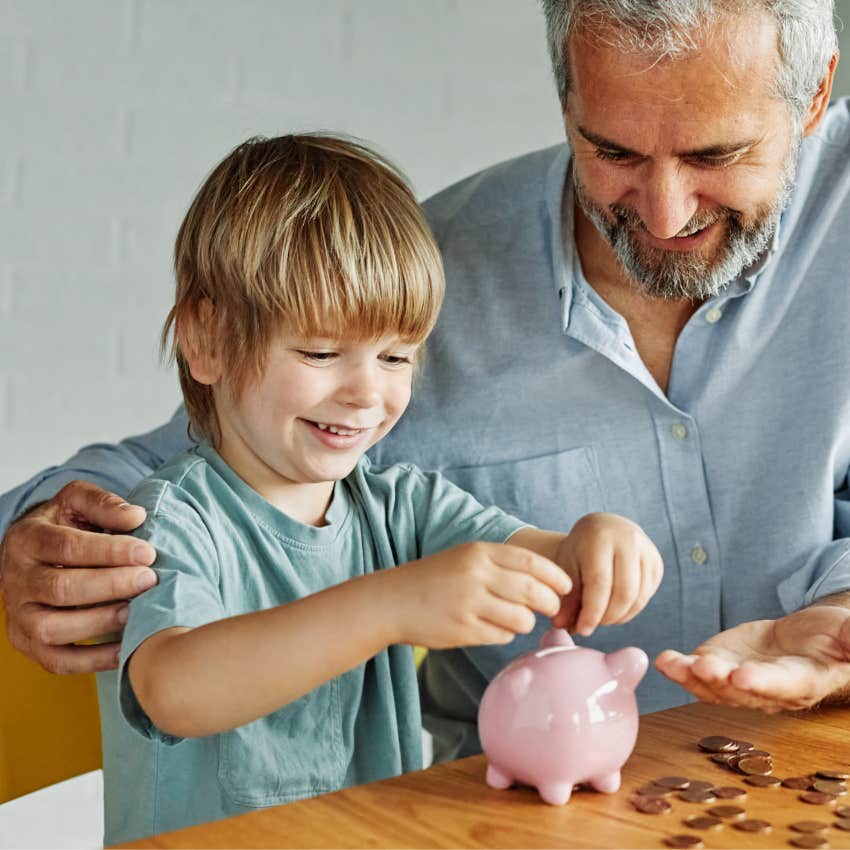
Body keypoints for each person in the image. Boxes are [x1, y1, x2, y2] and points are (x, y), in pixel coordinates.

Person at [0, 0, 848, 763]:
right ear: (567, 102)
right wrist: (42, 534)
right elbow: (191, 464)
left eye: (716, 154)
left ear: (815, 96)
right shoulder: (426, 283)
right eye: (612, 150)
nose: (665, 212)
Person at [86, 132, 661, 843]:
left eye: (395, 357)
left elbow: (537, 562)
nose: (366, 393)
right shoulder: (171, 519)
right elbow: (172, 692)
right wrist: (390, 604)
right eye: (321, 352)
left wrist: (591, 545)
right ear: (207, 341)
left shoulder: (401, 507)